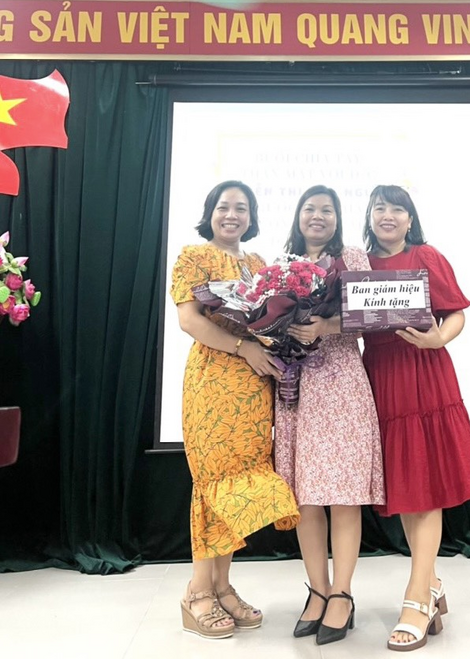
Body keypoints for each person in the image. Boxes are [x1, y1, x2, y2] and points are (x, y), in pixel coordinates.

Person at [170, 180, 299, 640]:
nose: (232, 214)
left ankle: (223, 587)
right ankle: (197, 592)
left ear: (251, 216)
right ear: (210, 212)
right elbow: (189, 320)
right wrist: (244, 348)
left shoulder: (259, 264)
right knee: (213, 480)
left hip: (254, 385)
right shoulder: (193, 256)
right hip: (213, 379)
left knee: (239, 478)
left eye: (241, 208)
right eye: (224, 206)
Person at [361, 185, 470, 652]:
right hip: (381, 374)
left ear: (410, 219)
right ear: (369, 216)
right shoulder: (359, 264)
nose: (388, 215)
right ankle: (430, 583)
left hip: (425, 371)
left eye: (397, 209)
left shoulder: (426, 255)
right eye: (380, 208)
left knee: (425, 485)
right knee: (408, 487)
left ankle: (417, 598)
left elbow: (454, 315)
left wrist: (438, 340)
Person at [274, 184, 384, 646]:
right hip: (296, 390)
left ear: (338, 219)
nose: (318, 216)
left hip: (341, 382)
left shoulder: (353, 258)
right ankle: (316, 591)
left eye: (327, 210)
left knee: (342, 494)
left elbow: (373, 314)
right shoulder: (279, 268)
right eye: (310, 209)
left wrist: (326, 325)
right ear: (298, 217)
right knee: (306, 498)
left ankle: (342, 593)